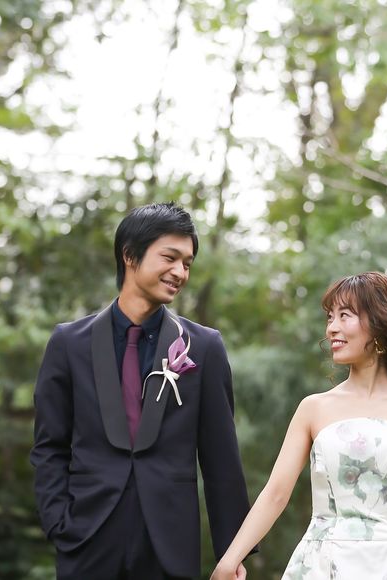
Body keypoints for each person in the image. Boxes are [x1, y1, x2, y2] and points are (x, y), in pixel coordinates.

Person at [31, 202, 254, 580]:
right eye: (170, 257)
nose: (180, 272)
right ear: (130, 255)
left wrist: (232, 554)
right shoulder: (68, 343)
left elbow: (221, 460)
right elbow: (49, 446)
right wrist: (58, 523)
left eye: (187, 263)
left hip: (170, 546)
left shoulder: (204, 347)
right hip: (86, 540)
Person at [211, 271, 387, 580]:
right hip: (324, 563)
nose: (332, 327)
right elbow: (276, 493)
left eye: (344, 315)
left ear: (378, 323)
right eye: (330, 317)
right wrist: (230, 559)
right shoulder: (314, 408)